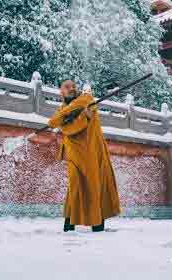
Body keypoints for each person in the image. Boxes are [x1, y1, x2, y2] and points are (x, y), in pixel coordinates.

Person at [47, 80, 121, 232]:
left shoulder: (87, 101)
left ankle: (97, 226)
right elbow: (61, 126)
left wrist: (79, 116)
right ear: (61, 92)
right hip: (75, 155)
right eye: (67, 87)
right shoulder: (64, 110)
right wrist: (75, 116)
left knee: (96, 185)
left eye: (74, 86)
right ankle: (69, 224)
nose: (72, 88)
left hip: (93, 152)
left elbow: (65, 121)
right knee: (75, 187)